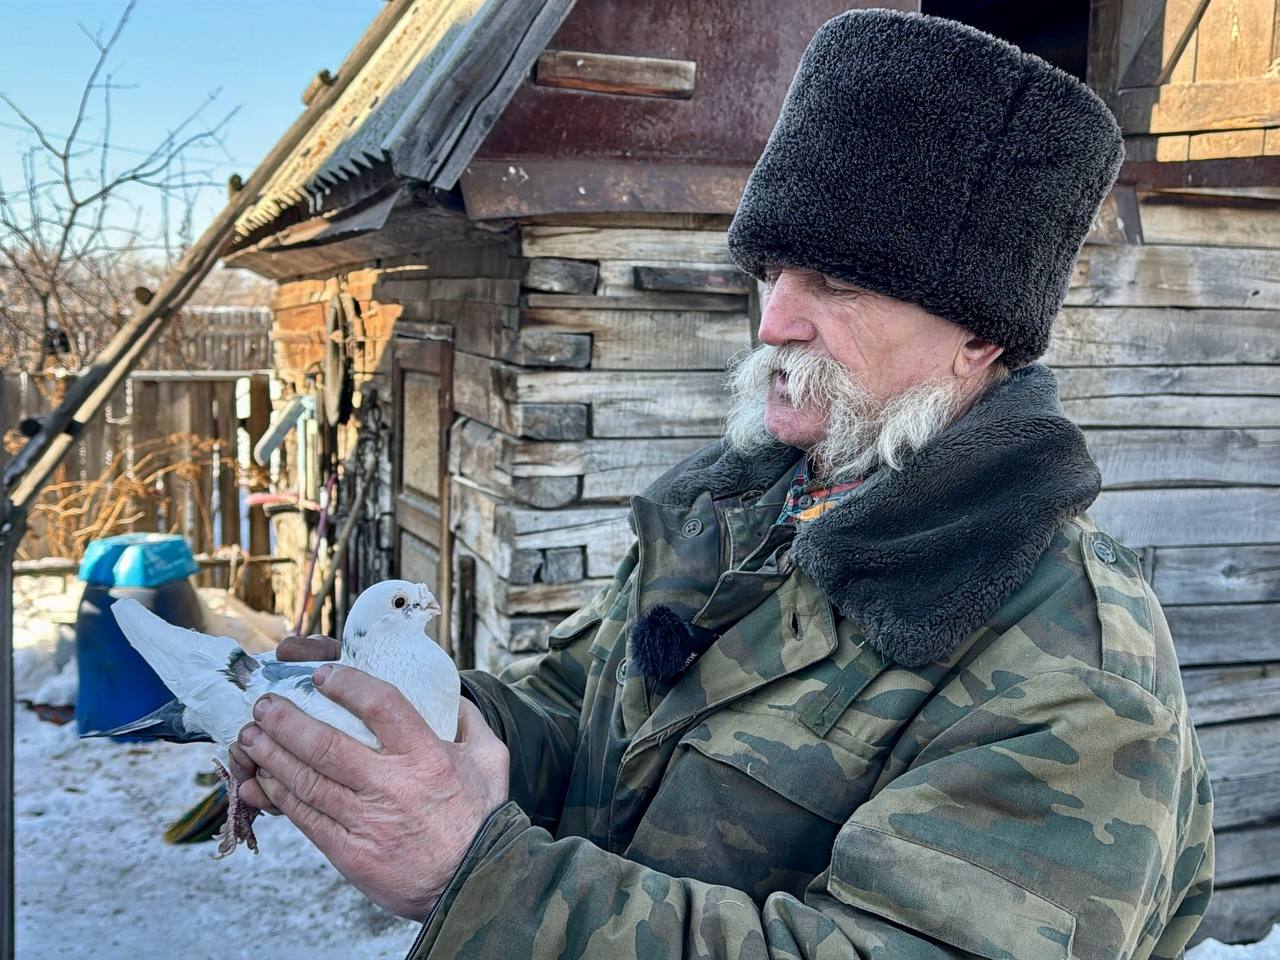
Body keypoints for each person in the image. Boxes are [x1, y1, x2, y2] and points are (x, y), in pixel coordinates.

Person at [231, 10, 1214, 958]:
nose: (773, 322)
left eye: (837, 282)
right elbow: (581, 719)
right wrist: (410, 719)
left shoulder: (1073, 658)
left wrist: (478, 877)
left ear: (980, 337)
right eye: (771, 272)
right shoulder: (735, 511)